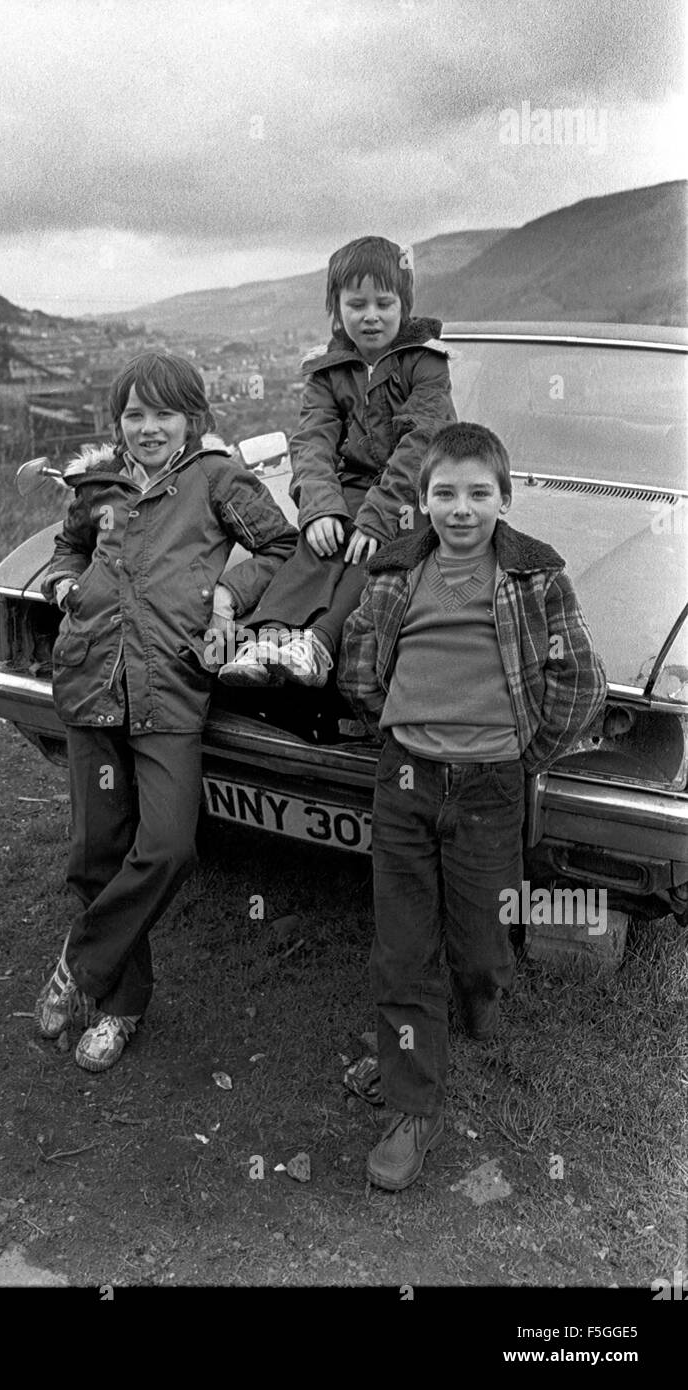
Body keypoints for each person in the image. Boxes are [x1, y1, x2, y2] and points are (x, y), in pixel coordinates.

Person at [337, 421, 607, 1190]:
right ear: (421, 501)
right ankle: (410, 1102)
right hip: (406, 779)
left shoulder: (535, 577)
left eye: (477, 493)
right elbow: (360, 667)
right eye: (444, 493)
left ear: (504, 498)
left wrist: (522, 756)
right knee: (402, 942)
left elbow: (581, 683)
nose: (460, 509)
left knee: (482, 944)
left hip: (490, 785)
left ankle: (471, 1011)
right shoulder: (394, 575)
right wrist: (399, 731)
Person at [34, 352, 297, 1072]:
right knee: (96, 856)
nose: (148, 428)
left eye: (163, 413)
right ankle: (121, 1009)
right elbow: (66, 549)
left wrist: (227, 596)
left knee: (170, 845)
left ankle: (78, 963)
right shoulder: (97, 486)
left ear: (193, 419)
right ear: (118, 422)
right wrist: (65, 588)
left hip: (170, 687)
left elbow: (282, 545)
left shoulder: (217, 480)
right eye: (134, 414)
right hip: (91, 685)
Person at [218, 235, 456, 689]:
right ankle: (265, 639)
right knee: (319, 542)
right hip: (349, 487)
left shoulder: (426, 363)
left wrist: (378, 517)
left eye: (384, 303)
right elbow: (312, 442)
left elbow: (421, 442)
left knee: (373, 552)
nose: (370, 316)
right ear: (337, 307)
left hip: (417, 493)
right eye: (356, 303)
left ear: (404, 305)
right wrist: (320, 508)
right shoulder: (328, 370)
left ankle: (318, 644)